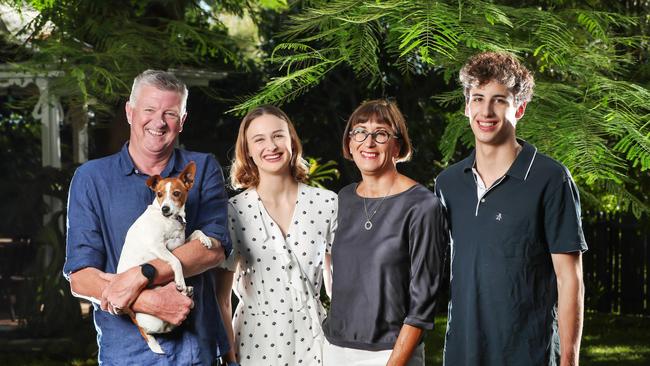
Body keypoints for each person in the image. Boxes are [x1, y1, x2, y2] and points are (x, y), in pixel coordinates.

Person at [63, 69, 232, 365]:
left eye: (170, 113)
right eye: (149, 110)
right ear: (130, 112)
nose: (158, 122)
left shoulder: (202, 169)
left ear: (182, 121)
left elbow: (213, 249)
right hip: (126, 352)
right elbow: (81, 277)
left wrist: (143, 274)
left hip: (196, 350)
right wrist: (146, 300)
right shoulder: (91, 179)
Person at [435, 51, 588, 365]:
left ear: (520, 108)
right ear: (467, 107)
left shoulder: (550, 178)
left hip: (528, 353)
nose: (486, 110)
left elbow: (569, 278)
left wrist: (569, 359)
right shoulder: (448, 183)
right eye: (477, 98)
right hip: (462, 353)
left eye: (499, 100)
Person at [322, 99, 447, 366]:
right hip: (334, 349)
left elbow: (423, 300)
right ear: (349, 143)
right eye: (359, 132)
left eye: (380, 134)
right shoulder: (342, 199)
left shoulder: (422, 205)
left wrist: (395, 362)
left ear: (397, 146)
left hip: (391, 353)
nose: (368, 142)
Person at [216, 105, 337, 366]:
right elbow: (221, 299)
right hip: (253, 345)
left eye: (278, 135)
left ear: (292, 140)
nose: (271, 146)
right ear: (247, 150)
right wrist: (230, 359)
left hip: (316, 344)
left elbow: (339, 287)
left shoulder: (327, 203)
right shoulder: (233, 212)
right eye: (259, 139)